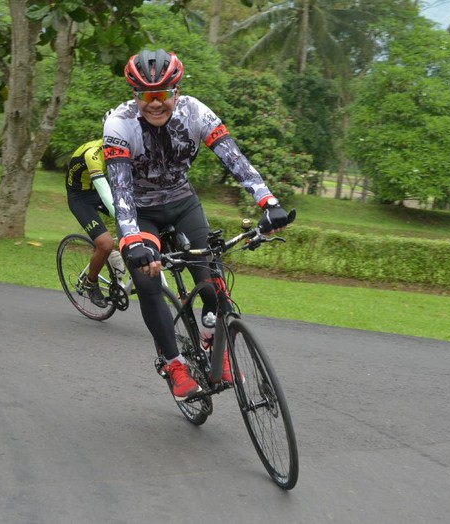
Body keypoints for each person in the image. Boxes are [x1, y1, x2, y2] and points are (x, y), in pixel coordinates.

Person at [103, 49, 292, 400]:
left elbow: (233, 158)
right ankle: (173, 364)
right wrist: (132, 239)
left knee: (211, 280)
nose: (155, 103)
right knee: (147, 280)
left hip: (181, 202)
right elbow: (121, 188)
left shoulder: (196, 112)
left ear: (177, 90)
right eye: (146, 95)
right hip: (141, 212)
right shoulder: (119, 124)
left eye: (164, 94)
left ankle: (214, 341)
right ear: (135, 95)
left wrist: (269, 202)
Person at [65, 133, 119, 307]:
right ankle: (91, 282)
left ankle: (117, 261)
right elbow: (104, 191)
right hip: (80, 198)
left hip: (97, 189)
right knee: (105, 244)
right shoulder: (93, 154)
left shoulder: (125, 149)